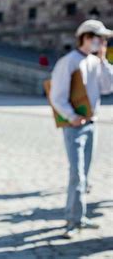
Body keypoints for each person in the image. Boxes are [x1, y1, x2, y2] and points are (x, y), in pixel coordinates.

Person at [49, 19, 113, 239]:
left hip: (92, 123)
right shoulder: (69, 62)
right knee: (76, 174)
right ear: (87, 37)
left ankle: (80, 216)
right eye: (100, 38)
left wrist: (104, 60)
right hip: (75, 126)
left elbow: (108, 87)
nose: (103, 42)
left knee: (85, 174)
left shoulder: (95, 62)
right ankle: (72, 219)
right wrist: (71, 116)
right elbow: (57, 95)